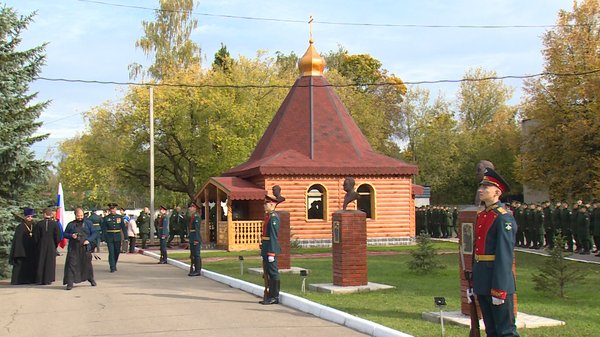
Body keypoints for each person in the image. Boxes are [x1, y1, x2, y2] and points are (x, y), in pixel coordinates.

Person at [470, 168, 519, 337]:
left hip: (498, 281)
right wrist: (473, 282)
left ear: (497, 192)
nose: (480, 190)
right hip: (483, 279)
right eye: (480, 187)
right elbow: (477, 250)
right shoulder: (484, 215)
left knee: (505, 331)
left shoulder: (503, 218)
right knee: (491, 330)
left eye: (485, 188)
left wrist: (499, 288)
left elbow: (504, 256)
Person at [63, 208, 97, 290]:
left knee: (87, 264)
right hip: (74, 248)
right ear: (75, 215)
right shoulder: (71, 224)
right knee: (71, 264)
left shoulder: (88, 223)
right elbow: (64, 234)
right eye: (78, 216)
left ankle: (91, 279)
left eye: (81, 215)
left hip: (85, 247)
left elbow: (94, 233)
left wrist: (88, 240)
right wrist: (71, 235)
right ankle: (70, 283)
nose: (80, 217)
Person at [259, 196, 281, 305]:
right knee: (267, 273)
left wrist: (271, 252)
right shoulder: (268, 216)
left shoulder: (273, 218)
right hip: (266, 247)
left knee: (273, 273)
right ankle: (269, 295)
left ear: (272, 204)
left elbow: (273, 236)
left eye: (266, 204)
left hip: (271, 249)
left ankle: (274, 296)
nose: (264, 205)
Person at [9, 208, 38, 285]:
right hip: (22, 250)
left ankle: (31, 280)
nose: (30, 218)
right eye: (28, 216)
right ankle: (18, 280)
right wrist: (19, 251)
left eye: (31, 216)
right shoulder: (20, 227)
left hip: (31, 249)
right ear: (25, 217)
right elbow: (17, 240)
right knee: (20, 265)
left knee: (31, 265)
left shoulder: (34, 225)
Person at [34, 208, 61, 285]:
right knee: (50, 262)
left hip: (41, 245)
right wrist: (55, 244)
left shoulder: (39, 224)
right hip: (51, 245)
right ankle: (48, 279)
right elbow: (58, 236)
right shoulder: (55, 224)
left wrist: (37, 244)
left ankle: (40, 279)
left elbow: (36, 237)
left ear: (44, 214)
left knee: (41, 261)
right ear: (51, 214)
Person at [101, 203, 127, 272]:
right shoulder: (106, 218)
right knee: (111, 252)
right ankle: (112, 266)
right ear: (109, 210)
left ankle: (114, 263)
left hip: (118, 236)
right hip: (109, 237)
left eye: (113, 209)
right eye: (111, 209)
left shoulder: (120, 217)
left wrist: (126, 237)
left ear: (116, 209)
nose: (112, 210)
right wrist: (103, 237)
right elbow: (103, 228)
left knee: (117, 251)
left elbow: (123, 228)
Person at [187, 202, 202, 276]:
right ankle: (194, 268)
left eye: (191, 207)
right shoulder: (192, 216)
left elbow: (196, 229)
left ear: (195, 208)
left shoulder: (196, 217)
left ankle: (198, 270)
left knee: (196, 254)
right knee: (192, 254)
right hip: (192, 237)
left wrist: (196, 239)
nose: (190, 208)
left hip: (195, 237)